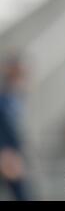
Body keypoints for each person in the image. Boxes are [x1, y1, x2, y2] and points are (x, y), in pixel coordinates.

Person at [0, 55, 28, 201]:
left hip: (12, 153)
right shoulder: (4, 99)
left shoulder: (16, 97)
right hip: (7, 155)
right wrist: (4, 151)